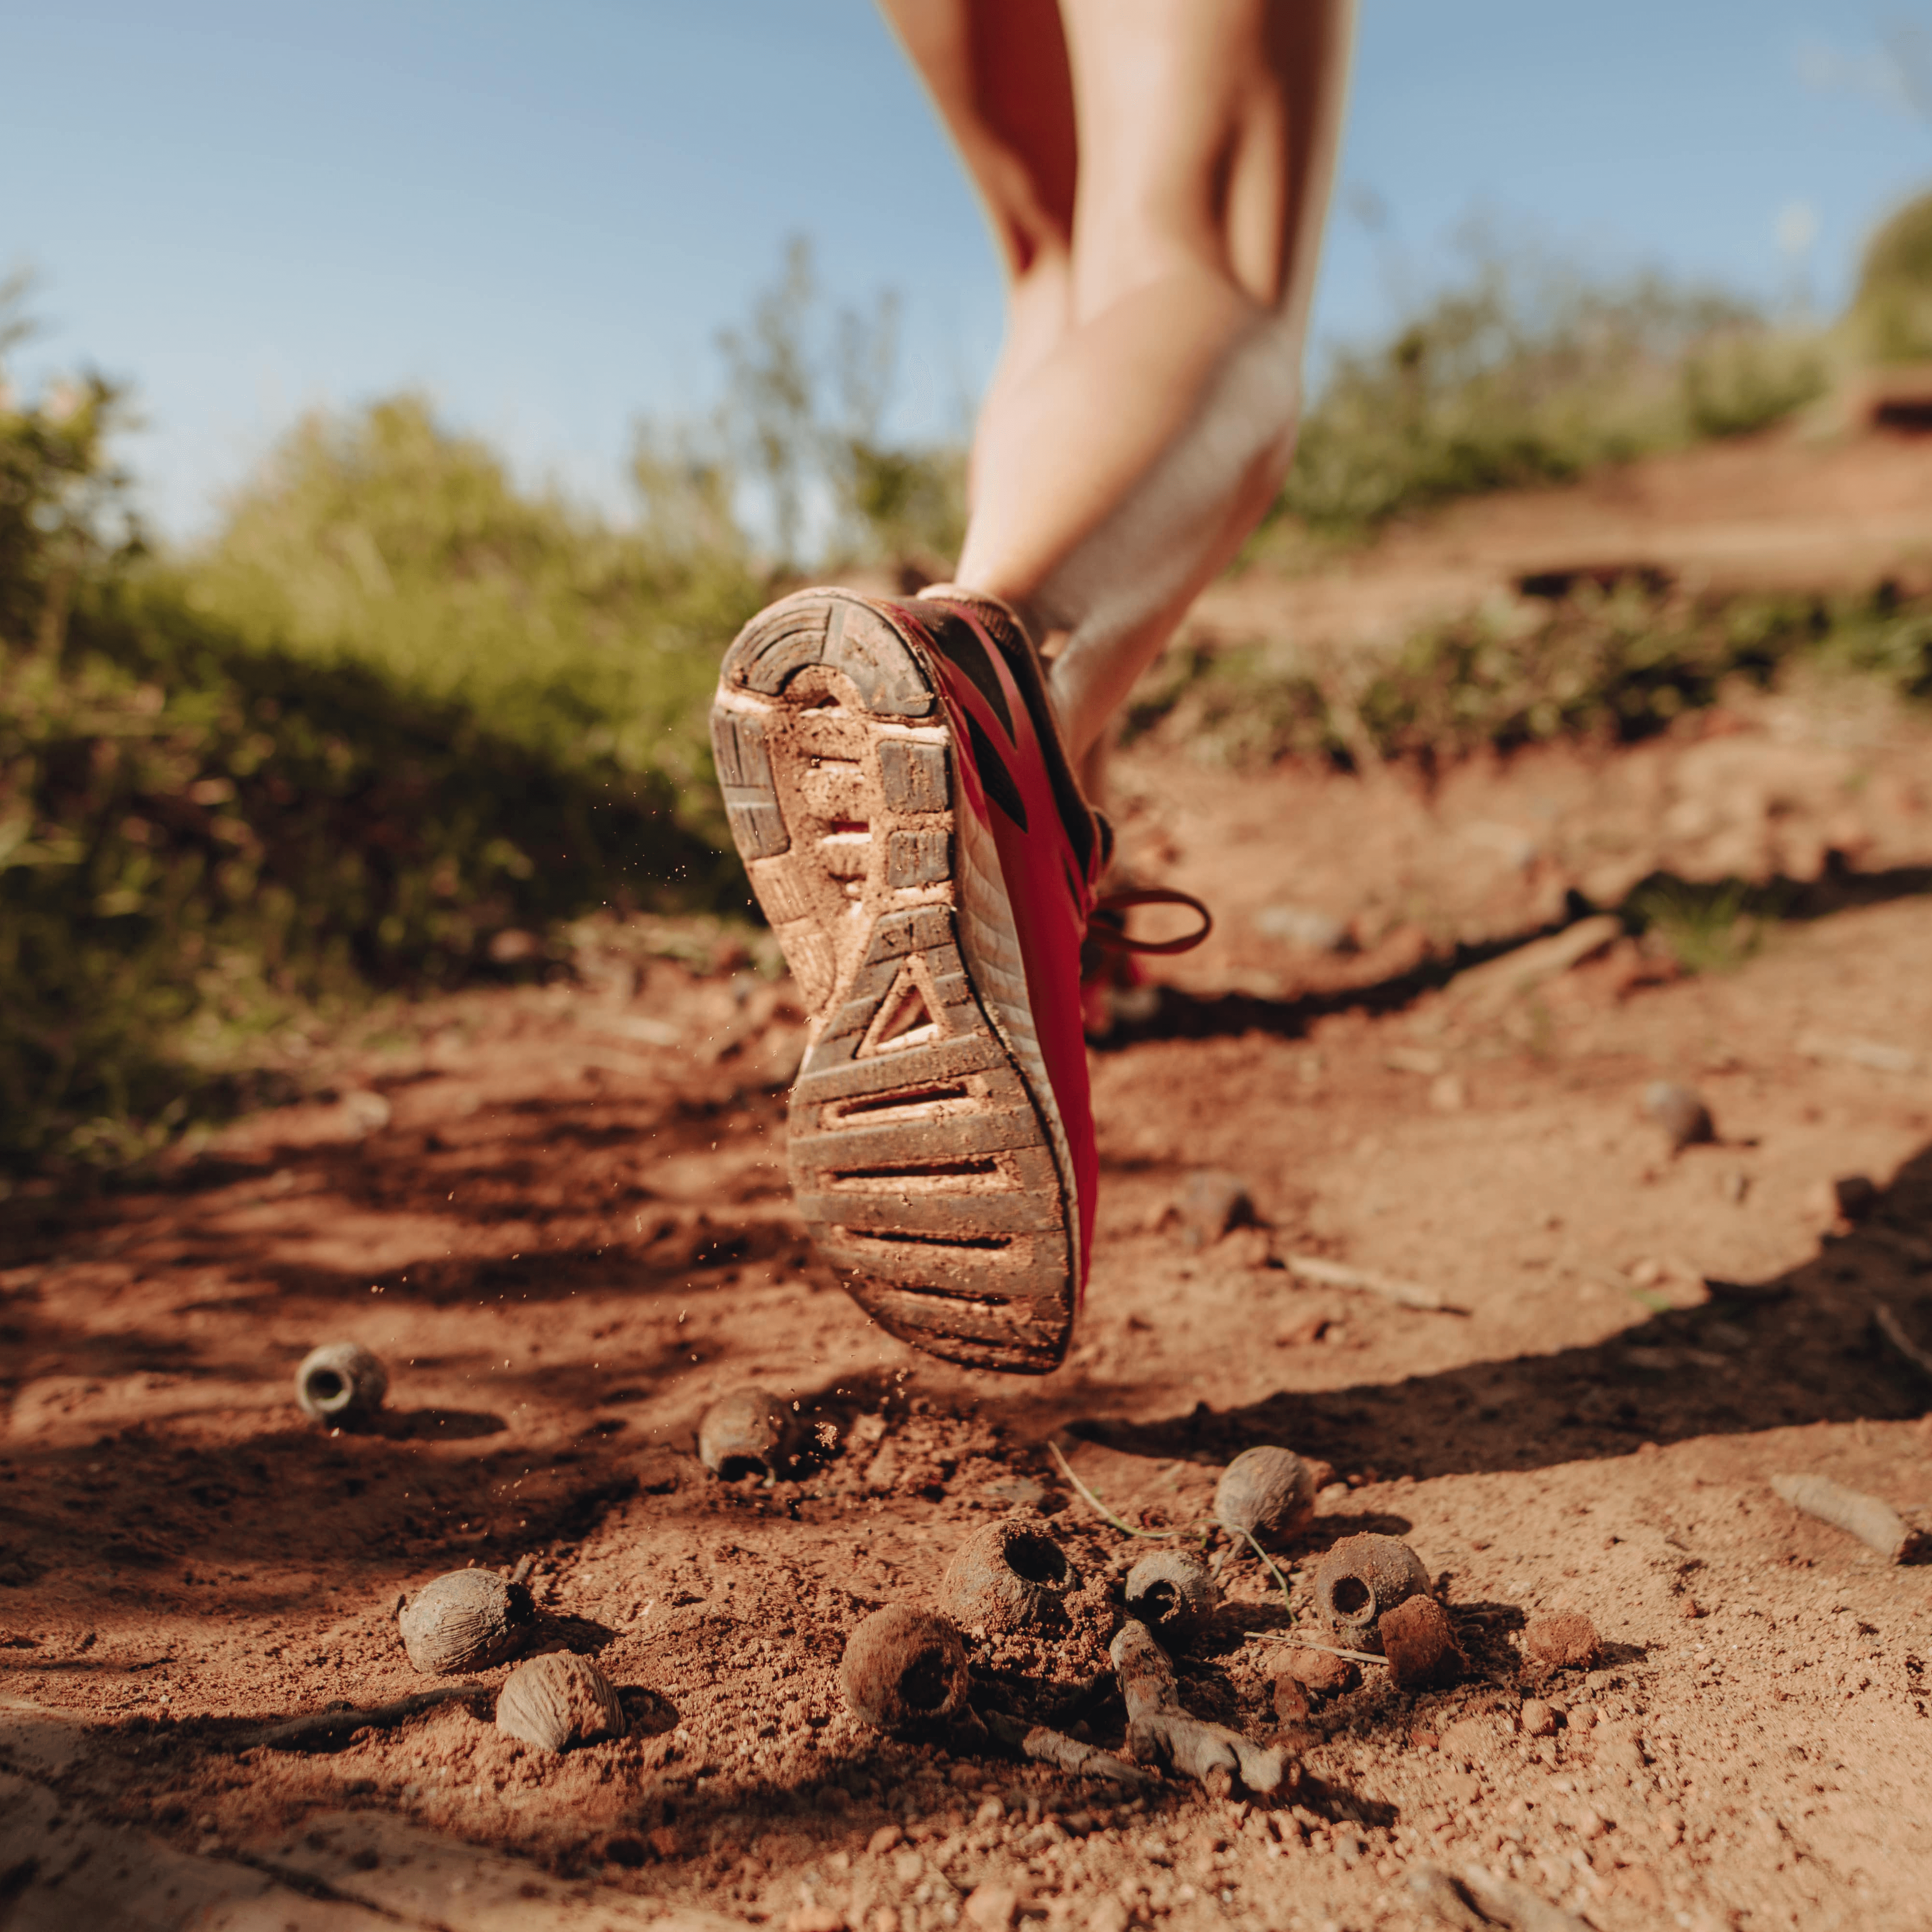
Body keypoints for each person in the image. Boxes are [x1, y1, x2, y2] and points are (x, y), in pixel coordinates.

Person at [709, 0, 1352, 1374]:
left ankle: (1048, 906)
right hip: (1005, 681)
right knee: (1205, 245)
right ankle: (1002, 679)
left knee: (1056, 264)